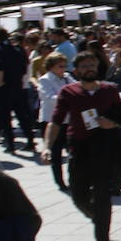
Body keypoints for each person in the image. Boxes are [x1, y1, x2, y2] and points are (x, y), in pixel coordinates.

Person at [42, 51, 121, 241]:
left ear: (97, 67)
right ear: (76, 70)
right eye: (83, 66)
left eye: (91, 65)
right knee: (78, 195)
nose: (88, 69)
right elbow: (55, 122)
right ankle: (97, 218)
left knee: (102, 197)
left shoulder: (109, 90)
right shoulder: (68, 92)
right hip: (79, 150)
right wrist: (47, 146)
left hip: (105, 150)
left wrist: (113, 122)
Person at [0, 30, 36, 154]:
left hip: (5, 88)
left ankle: (10, 144)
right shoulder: (18, 50)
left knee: (6, 117)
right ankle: (30, 141)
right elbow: (24, 67)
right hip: (18, 86)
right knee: (22, 116)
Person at [36, 53, 75, 192]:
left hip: (68, 119)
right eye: (60, 66)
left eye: (65, 65)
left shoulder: (67, 78)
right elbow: (48, 97)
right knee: (56, 153)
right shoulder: (45, 80)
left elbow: (77, 89)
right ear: (51, 67)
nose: (63, 68)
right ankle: (60, 182)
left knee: (72, 151)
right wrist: (67, 98)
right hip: (51, 120)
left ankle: (73, 179)